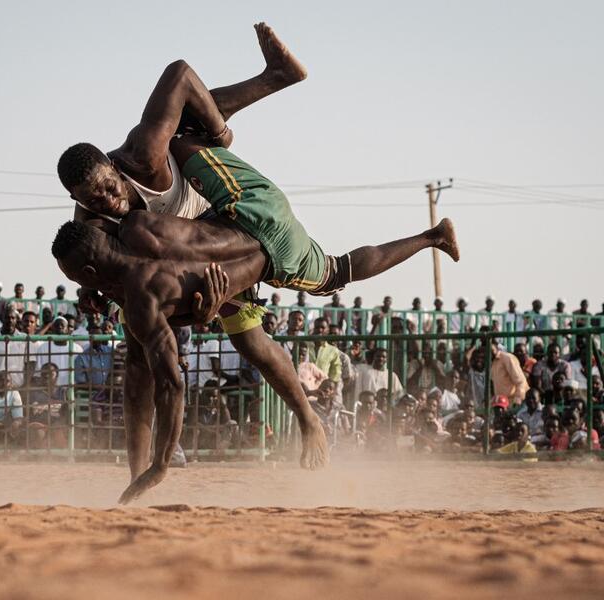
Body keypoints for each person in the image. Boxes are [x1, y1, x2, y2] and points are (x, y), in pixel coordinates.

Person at [55, 26, 458, 502]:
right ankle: (140, 472)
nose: (109, 200)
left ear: (111, 165)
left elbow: (179, 72)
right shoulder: (94, 222)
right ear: (78, 201)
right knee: (231, 345)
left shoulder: (143, 151)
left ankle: (278, 77)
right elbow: (101, 271)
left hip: (234, 218)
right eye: (93, 198)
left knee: (327, 272)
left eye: (107, 186)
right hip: (212, 247)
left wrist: (221, 133)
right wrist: (181, 304)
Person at [489, 338, 528, 407]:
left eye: (491, 349)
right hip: (500, 403)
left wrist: (518, 399)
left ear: (496, 346)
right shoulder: (492, 361)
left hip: (513, 403)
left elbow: (521, 381)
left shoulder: (507, 358)